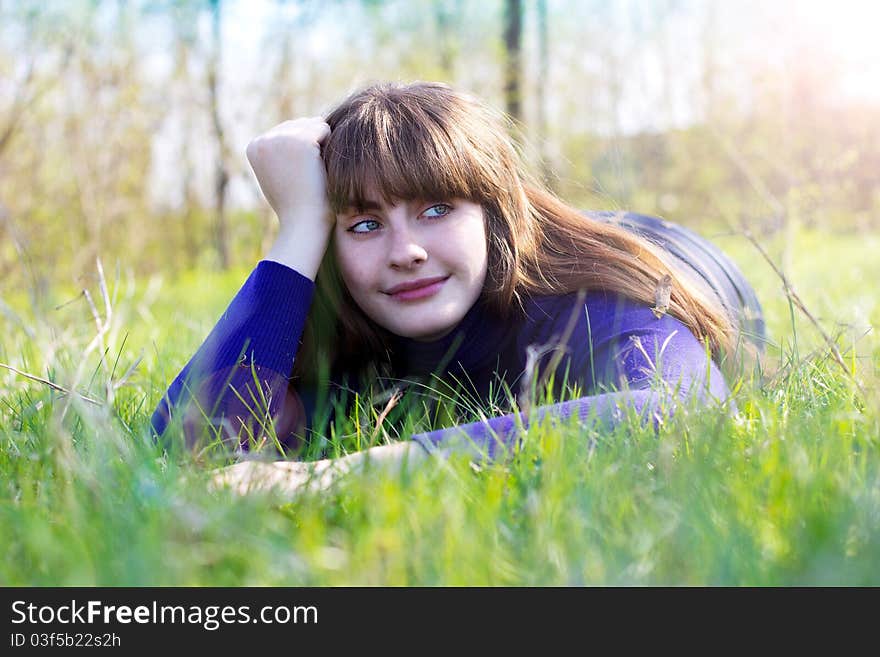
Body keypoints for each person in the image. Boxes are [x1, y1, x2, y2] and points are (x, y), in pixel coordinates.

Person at [151, 81, 765, 495]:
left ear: (492, 214)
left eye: (438, 209)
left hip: (664, 254)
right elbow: (188, 442)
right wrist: (301, 230)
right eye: (364, 223)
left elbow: (678, 410)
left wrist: (345, 475)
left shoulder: (590, 294)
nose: (406, 251)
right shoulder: (343, 312)